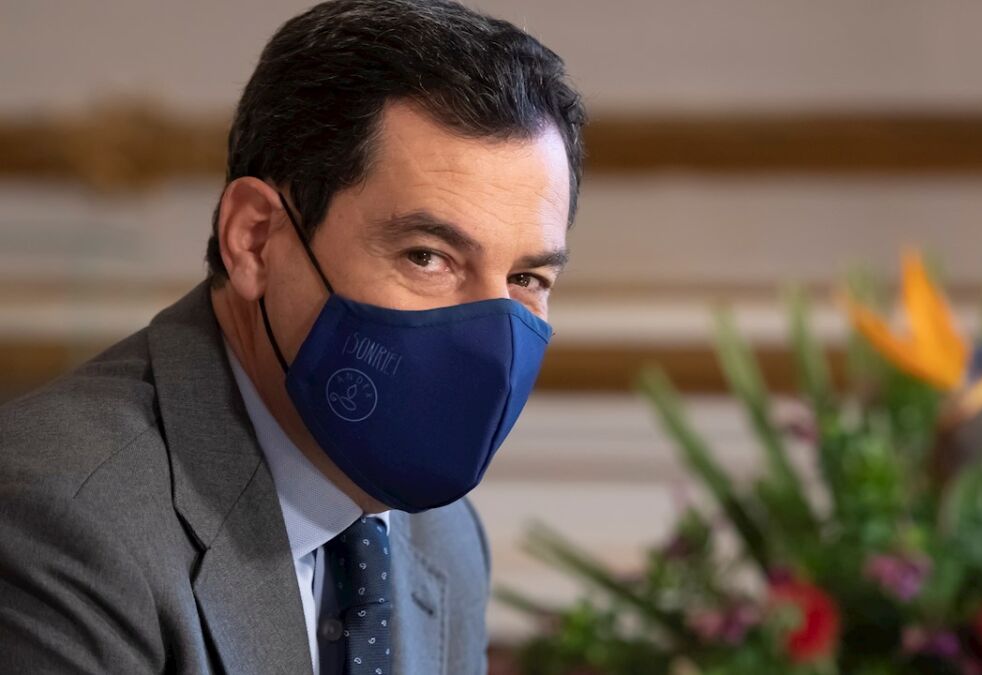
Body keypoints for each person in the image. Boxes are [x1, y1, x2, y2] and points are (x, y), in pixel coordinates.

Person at [0, 0, 585, 672]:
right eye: (427, 256)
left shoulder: (442, 539)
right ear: (256, 240)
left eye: (527, 277)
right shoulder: (59, 521)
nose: (489, 338)